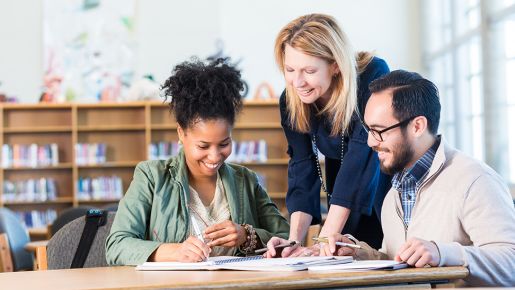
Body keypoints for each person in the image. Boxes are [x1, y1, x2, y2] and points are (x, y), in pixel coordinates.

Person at [325, 70, 515, 286]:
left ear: (417, 126)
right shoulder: (393, 193)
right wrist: (360, 253)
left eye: (379, 131)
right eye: (368, 130)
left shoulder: (476, 181)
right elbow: (400, 264)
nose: (370, 142)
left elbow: (511, 261)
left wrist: (443, 253)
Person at [106, 58, 289, 265]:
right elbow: (117, 245)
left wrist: (248, 237)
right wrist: (172, 252)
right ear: (181, 133)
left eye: (224, 144)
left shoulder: (246, 180)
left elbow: (287, 239)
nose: (214, 156)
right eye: (203, 146)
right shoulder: (151, 177)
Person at [266, 13, 391, 257]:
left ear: (335, 65)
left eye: (309, 70)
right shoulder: (291, 99)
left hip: (384, 180)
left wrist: (324, 239)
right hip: (342, 186)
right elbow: (302, 168)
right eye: (290, 69)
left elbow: (361, 156)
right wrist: (293, 242)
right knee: (338, 256)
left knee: (380, 255)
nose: (297, 82)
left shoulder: (372, 75)